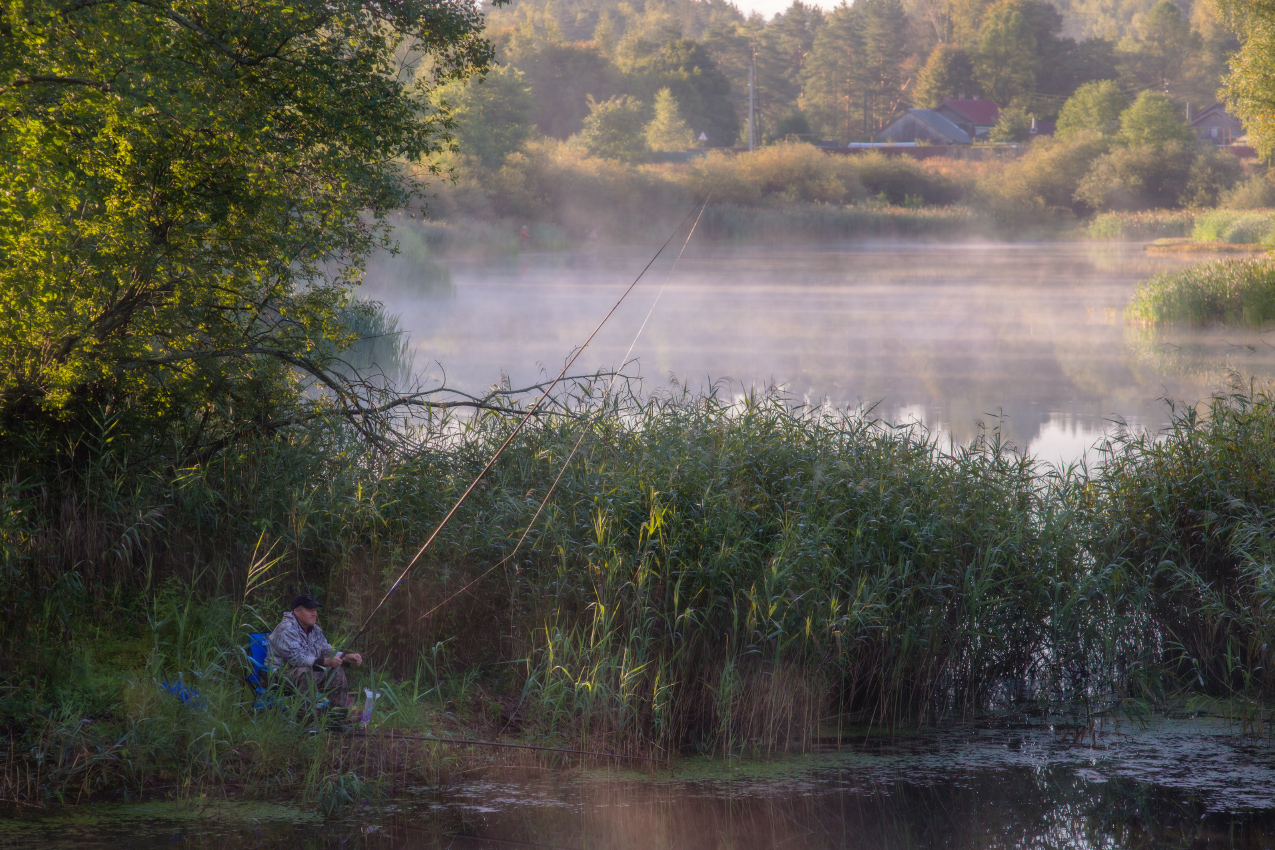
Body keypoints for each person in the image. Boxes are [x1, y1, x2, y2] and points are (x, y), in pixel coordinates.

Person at [267, 593, 362, 710]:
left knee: (336, 671)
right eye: (309, 610)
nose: (314, 614)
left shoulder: (314, 629)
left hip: (308, 669)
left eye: (315, 610)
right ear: (297, 612)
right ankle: (306, 720)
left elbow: (326, 649)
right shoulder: (286, 629)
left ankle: (336, 717)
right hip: (281, 674)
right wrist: (326, 661)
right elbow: (297, 659)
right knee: (307, 674)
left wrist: (345, 657)